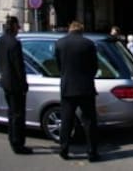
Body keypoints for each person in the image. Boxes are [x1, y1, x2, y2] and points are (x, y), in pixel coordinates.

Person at [55, 21, 99, 162]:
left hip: (68, 87)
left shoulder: (60, 43)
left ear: (70, 30)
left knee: (66, 121)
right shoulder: (88, 44)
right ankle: (92, 152)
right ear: (81, 30)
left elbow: (58, 65)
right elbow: (94, 66)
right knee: (89, 121)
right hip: (86, 87)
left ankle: (64, 149)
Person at [0, 16, 32, 155]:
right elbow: (19, 67)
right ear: (14, 26)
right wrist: (24, 84)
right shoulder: (15, 43)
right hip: (15, 84)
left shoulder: (0, 41)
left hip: (5, 82)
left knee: (11, 113)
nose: (19, 29)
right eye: (18, 26)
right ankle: (18, 144)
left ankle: (12, 138)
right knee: (18, 115)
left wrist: (3, 75)